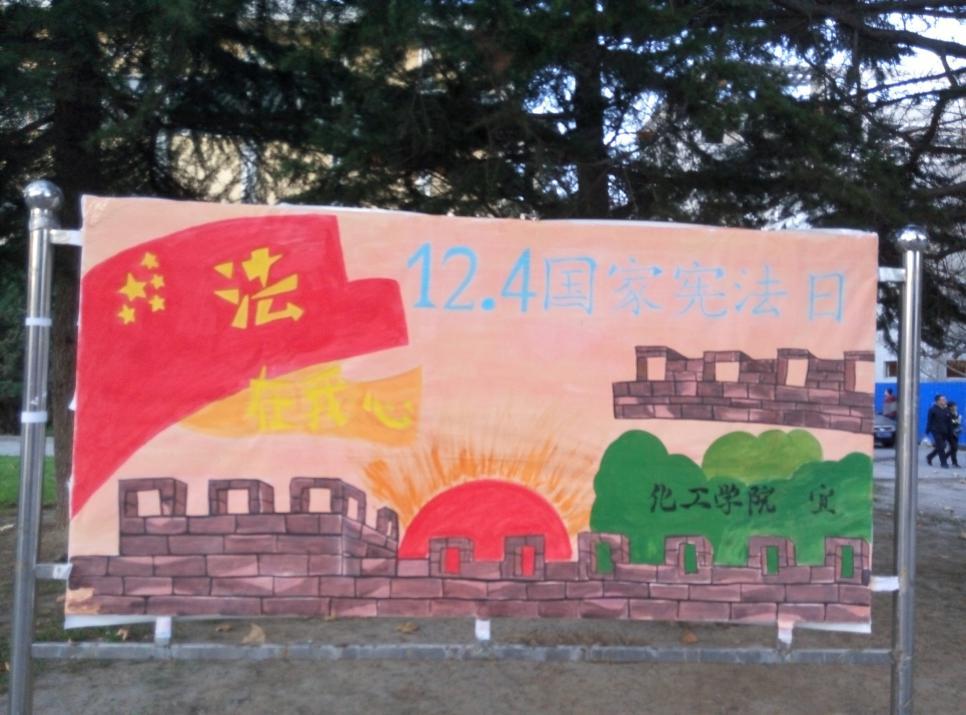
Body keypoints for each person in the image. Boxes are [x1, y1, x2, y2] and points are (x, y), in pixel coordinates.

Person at [926, 394, 951, 468]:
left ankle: (929, 456)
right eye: (942, 400)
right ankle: (944, 463)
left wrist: (950, 431)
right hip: (936, 431)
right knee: (941, 446)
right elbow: (929, 420)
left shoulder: (946, 410)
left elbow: (948, 421)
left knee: (941, 446)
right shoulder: (933, 410)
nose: (945, 401)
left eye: (945, 399)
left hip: (945, 431)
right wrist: (928, 430)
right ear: (938, 401)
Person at [947, 400, 961, 468]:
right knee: (954, 447)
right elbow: (951, 423)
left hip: (956, 432)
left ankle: (952, 461)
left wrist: (959, 427)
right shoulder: (948, 414)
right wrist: (957, 420)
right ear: (950, 407)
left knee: (954, 448)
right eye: (954, 406)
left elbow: (957, 423)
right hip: (950, 433)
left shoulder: (956, 413)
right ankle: (953, 462)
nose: (956, 407)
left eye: (955, 406)